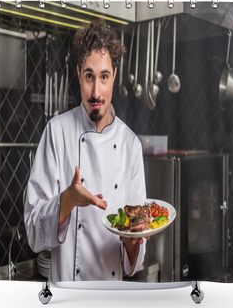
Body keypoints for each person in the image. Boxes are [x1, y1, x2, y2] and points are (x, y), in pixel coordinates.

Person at [24, 19, 147, 282]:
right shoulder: (56, 133)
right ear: (79, 74)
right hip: (67, 295)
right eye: (89, 76)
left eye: (104, 77)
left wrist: (132, 241)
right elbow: (33, 233)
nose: (96, 92)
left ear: (114, 75)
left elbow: (134, 264)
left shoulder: (130, 145)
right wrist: (66, 201)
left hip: (110, 297)